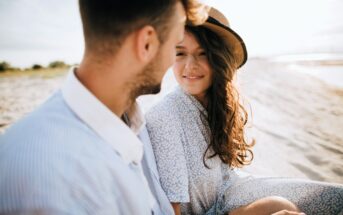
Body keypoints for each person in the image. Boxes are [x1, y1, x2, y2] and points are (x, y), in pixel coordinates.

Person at [0, 0, 208, 214]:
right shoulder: (59, 181)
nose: (172, 61)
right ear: (147, 43)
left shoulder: (129, 124)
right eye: (175, 46)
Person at [145, 7, 343, 215]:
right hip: (219, 208)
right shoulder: (164, 117)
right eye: (180, 53)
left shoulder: (214, 103)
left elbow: (224, 175)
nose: (190, 66)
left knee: (335, 198)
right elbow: (171, 210)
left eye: (203, 53)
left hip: (235, 188)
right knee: (282, 207)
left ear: (220, 59)